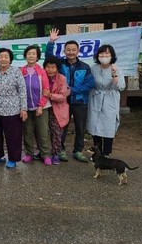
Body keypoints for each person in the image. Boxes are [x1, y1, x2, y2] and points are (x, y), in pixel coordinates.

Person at [45, 29, 95, 162]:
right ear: (64, 51)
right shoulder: (60, 64)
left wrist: (72, 90)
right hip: (62, 102)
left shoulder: (85, 67)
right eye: (68, 50)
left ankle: (78, 151)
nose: (71, 52)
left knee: (80, 127)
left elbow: (89, 84)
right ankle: (60, 149)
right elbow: (49, 57)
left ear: (78, 51)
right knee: (62, 126)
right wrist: (51, 42)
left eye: (73, 50)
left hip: (80, 102)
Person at [0, 48, 27, 169]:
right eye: (1, 56)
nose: (3, 59)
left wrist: (24, 109)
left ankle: (13, 158)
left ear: (10, 59)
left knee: (13, 136)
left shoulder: (16, 72)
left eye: (6, 56)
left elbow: (22, 91)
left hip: (12, 110)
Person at [87, 44, 125, 156]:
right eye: (102, 53)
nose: (104, 56)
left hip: (110, 99)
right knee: (95, 125)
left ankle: (106, 153)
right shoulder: (93, 68)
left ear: (112, 55)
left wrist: (114, 75)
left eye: (107, 53)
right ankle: (97, 151)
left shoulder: (117, 68)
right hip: (96, 97)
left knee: (108, 126)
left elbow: (121, 87)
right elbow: (89, 83)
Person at [20, 44, 52, 164]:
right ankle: (29, 153)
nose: (31, 56)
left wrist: (41, 106)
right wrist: (22, 108)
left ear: (38, 56)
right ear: (25, 56)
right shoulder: (21, 71)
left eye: (34, 54)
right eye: (29, 54)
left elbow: (46, 90)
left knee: (43, 132)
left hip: (41, 107)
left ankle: (45, 155)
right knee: (27, 132)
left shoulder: (41, 71)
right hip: (25, 107)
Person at [42, 54, 70, 165]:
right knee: (42, 132)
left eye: (53, 67)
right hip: (43, 107)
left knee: (57, 133)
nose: (50, 70)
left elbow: (63, 96)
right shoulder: (40, 76)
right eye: (48, 67)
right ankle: (43, 152)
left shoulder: (62, 79)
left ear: (57, 68)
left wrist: (50, 95)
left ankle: (55, 153)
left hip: (57, 109)